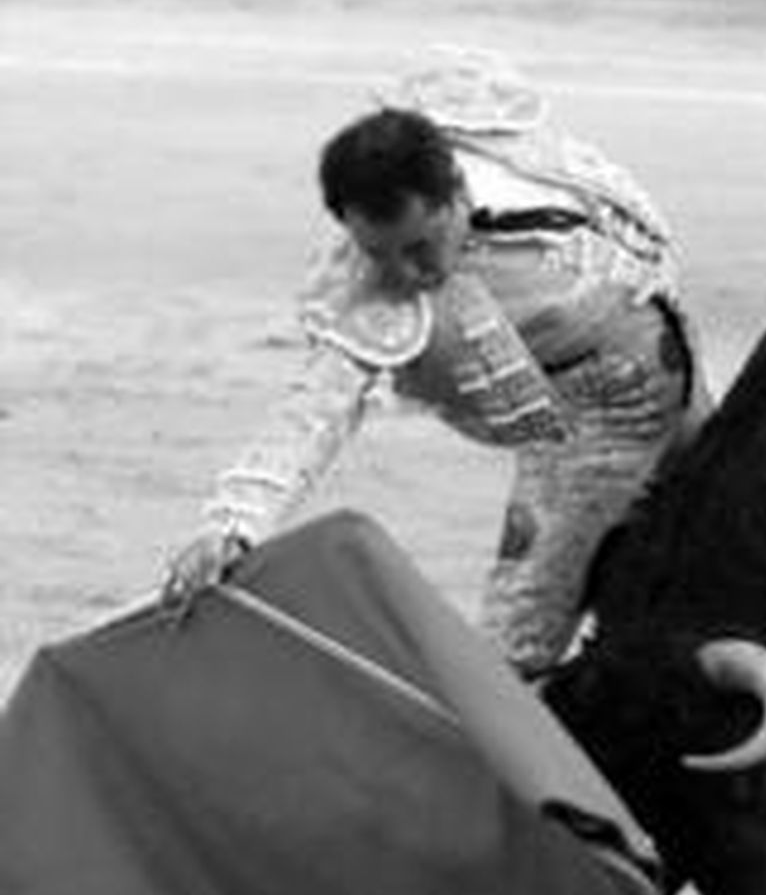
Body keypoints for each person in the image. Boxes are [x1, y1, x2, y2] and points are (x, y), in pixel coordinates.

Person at [163, 55, 711, 677]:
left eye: (420, 245)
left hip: (672, 348)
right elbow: (316, 409)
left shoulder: (503, 159)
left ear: (456, 194)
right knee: (516, 641)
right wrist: (234, 525)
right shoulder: (370, 293)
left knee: (742, 535)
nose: (406, 274)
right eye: (379, 252)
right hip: (592, 417)